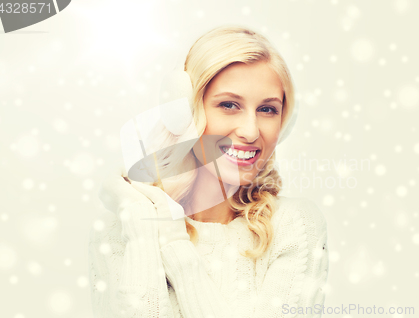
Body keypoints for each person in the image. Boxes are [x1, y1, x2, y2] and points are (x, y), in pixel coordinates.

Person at [88, 25, 329, 318]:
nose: (251, 131)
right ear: (185, 112)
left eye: (267, 110)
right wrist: (142, 224)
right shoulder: (123, 224)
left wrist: (176, 248)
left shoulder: (295, 225)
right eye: (229, 105)